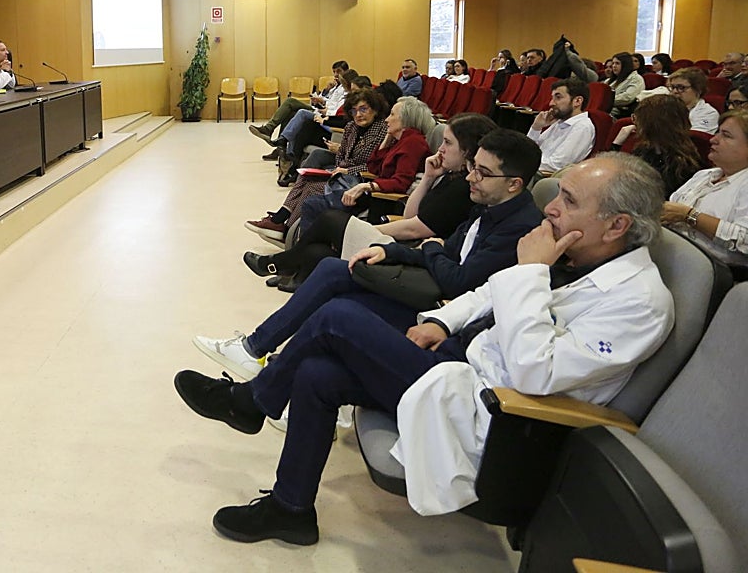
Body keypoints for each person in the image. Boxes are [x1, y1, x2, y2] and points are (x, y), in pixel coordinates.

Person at [174, 154, 672, 541]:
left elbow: (535, 375)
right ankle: (290, 510)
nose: (552, 208)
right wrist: (439, 318)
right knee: (317, 374)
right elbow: (485, 293)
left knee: (339, 317)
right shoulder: (578, 255)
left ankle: (252, 401)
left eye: (569, 200)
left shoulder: (640, 303)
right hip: (461, 367)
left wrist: (529, 275)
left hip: (499, 416)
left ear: (617, 226)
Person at [231, 128, 539, 353]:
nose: (473, 176)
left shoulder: (518, 227)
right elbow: (440, 248)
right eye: (474, 169)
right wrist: (394, 250)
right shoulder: (486, 203)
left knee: (335, 296)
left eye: (482, 172)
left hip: (440, 309)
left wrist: (430, 248)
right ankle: (255, 348)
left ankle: (272, 309)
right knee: (329, 266)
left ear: (514, 184)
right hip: (428, 277)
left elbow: (456, 278)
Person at [243, 113, 496, 288]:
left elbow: (413, 227)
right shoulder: (449, 176)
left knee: (330, 219)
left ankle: (278, 265)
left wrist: (365, 229)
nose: (439, 148)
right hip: (403, 238)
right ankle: (286, 269)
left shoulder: (465, 188)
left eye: (448, 143)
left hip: (408, 249)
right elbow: (410, 215)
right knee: (317, 250)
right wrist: (429, 178)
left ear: (468, 150)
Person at [246, 90, 388, 240]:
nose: (358, 114)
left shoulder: (381, 131)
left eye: (363, 109)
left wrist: (347, 170)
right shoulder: (351, 127)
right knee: (306, 176)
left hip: (360, 180)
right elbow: (341, 154)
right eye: (354, 111)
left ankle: (287, 230)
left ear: (375, 109)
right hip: (341, 173)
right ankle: (282, 220)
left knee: (312, 187)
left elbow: (374, 166)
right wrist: (340, 167)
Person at [290, 97, 432, 229]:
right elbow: (373, 167)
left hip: (382, 200)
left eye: (392, 115)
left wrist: (365, 186)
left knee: (312, 204)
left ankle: (305, 248)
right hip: (374, 193)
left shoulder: (413, 143)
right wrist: (386, 140)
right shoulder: (401, 141)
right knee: (312, 195)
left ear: (405, 119)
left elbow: (400, 183)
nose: (387, 120)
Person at [662, 110, 748, 273]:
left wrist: (689, 216)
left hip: (715, 273)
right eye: (717, 132)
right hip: (671, 255)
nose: (713, 139)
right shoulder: (704, 175)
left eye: (726, 135)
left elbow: (745, 240)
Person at [614, 95, 703, 195]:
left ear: (651, 124)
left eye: (636, 118)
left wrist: (616, 146)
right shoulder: (645, 149)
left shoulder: (680, 165)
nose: (634, 122)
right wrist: (617, 143)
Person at [248, 61, 349, 144]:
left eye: (339, 71)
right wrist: (325, 91)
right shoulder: (334, 86)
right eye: (334, 72)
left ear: (346, 72)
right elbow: (326, 99)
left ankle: (270, 130)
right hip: (318, 108)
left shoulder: (345, 89)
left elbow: (336, 107)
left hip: (323, 113)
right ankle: (279, 147)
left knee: (290, 102)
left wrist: (323, 103)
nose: (336, 75)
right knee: (288, 112)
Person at [526, 78, 596, 176]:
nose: (551, 103)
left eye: (558, 97)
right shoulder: (560, 121)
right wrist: (536, 128)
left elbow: (556, 166)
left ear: (577, 101)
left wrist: (523, 161)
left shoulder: (583, 127)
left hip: (544, 179)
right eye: (552, 98)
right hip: (532, 171)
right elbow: (528, 149)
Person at [666, 67, 720, 132]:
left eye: (681, 87)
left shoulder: (709, 113)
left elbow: (693, 138)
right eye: (672, 87)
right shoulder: (666, 107)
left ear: (698, 90)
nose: (674, 91)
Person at [605, 51, 644, 118]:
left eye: (617, 63)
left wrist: (605, 100)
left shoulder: (636, 79)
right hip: (608, 108)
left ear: (626, 65)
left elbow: (627, 97)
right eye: (613, 63)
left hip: (621, 113)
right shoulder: (610, 80)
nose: (614, 66)